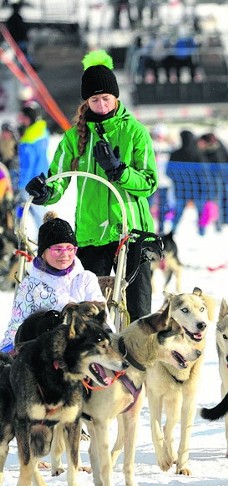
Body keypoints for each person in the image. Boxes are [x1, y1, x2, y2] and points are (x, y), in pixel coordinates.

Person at [25, 50, 158, 322]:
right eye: (94, 100)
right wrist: (44, 191)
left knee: (139, 312)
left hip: (131, 233)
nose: (101, 105)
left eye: (106, 98)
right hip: (91, 233)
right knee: (91, 312)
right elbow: (58, 179)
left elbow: (149, 183)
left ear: (116, 98)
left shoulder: (135, 132)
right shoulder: (74, 138)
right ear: (86, 101)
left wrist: (119, 170)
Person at [0, 212, 105, 353]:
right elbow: (17, 324)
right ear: (43, 252)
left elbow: (103, 320)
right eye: (57, 250)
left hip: (85, 351)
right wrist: (7, 351)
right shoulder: (31, 285)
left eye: (70, 248)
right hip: (44, 352)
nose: (65, 255)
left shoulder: (85, 279)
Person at [16, 101, 50, 231]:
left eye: (23, 117)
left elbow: (27, 165)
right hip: (42, 177)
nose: (21, 120)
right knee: (40, 213)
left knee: (26, 213)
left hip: (30, 182)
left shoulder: (30, 138)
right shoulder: (41, 131)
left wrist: (21, 185)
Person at [166, 130, 206, 234]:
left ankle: (173, 230)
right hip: (196, 188)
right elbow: (203, 173)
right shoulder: (198, 154)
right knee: (200, 210)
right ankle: (202, 230)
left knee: (179, 211)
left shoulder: (175, 154)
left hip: (181, 188)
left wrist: (178, 179)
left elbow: (168, 172)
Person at [198, 132, 228, 226]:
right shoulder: (216, 148)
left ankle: (225, 221)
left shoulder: (216, 150)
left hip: (222, 178)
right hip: (221, 178)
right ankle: (223, 220)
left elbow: (222, 163)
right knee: (222, 199)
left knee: (223, 199)